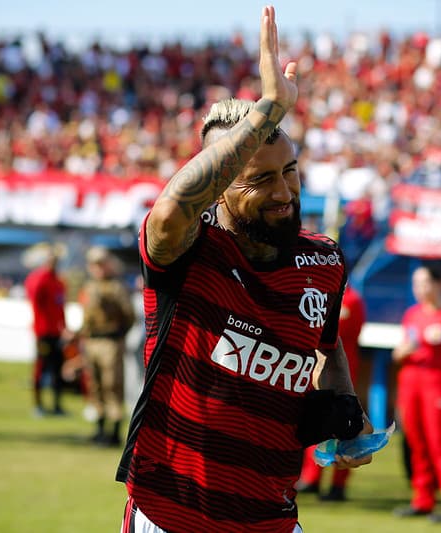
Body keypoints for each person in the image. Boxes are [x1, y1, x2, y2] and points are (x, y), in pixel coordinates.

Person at [116, 7, 373, 532]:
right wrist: (269, 110)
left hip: (272, 517)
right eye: (259, 181)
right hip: (173, 515)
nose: (283, 193)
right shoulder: (188, 251)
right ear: (221, 189)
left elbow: (325, 345)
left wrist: (345, 410)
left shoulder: (323, 260)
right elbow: (168, 210)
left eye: (290, 172)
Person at [392, 265, 441, 523]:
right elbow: (401, 349)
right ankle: (422, 499)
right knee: (416, 442)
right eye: (416, 283)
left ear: (439, 284)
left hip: (438, 382)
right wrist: (402, 352)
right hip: (411, 380)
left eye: (425, 282)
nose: (420, 289)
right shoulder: (412, 314)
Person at [296, 283, 366, 501]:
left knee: (344, 428)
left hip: (341, 373)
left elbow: (333, 334)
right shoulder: (319, 295)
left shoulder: (352, 301)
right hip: (315, 371)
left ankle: (338, 485)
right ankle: (312, 478)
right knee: (315, 423)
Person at [78, 246, 135, 447]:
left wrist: (119, 336)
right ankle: (100, 429)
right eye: (94, 265)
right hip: (92, 340)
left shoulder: (116, 287)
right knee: (95, 386)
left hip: (110, 341)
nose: (98, 269)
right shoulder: (90, 287)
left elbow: (129, 316)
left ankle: (114, 432)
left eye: (101, 264)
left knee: (112, 385)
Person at [24, 243, 68, 417]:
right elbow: (34, 301)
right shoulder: (39, 279)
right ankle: (38, 405)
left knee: (57, 368)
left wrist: (64, 328)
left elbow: (60, 307)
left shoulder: (58, 281)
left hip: (56, 333)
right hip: (42, 332)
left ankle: (57, 405)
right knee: (41, 368)